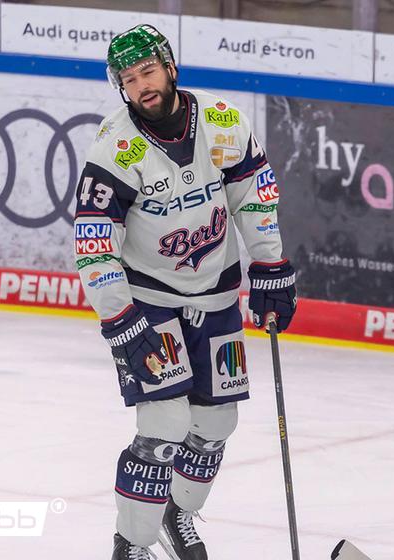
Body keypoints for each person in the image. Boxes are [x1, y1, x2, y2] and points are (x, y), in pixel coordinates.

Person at [75, 24, 297, 560]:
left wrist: (271, 266)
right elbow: (94, 244)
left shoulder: (222, 122)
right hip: (148, 298)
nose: (141, 86)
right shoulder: (116, 148)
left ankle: (178, 513)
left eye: (147, 72)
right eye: (128, 80)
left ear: (169, 67)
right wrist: (120, 319)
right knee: (165, 423)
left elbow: (253, 196)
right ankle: (132, 543)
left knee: (218, 421)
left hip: (216, 294)